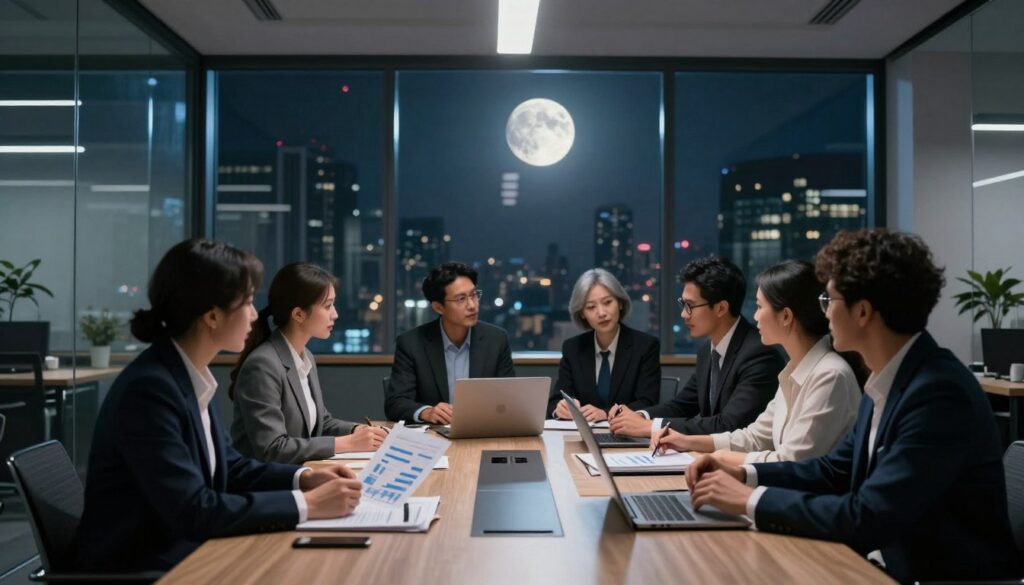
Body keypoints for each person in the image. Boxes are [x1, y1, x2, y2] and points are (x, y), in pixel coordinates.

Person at [685, 229, 1019, 583]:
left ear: (862, 312)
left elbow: (867, 517)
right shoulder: (887, 379)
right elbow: (831, 470)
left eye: (829, 301)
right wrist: (744, 474)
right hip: (883, 563)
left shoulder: (938, 393)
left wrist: (749, 500)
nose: (824, 313)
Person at [74, 240, 362, 573]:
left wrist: (305, 477)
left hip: (189, 552)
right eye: (249, 303)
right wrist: (306, 504)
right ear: (212, 316)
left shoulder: (188, 374)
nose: (256, 315)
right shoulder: (150, 390)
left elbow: (232, 467)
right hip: (148, 566)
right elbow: (193, 510)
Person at [651, 260, 861, 463]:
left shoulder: (830, 375)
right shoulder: (795, 369)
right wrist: (686, 441)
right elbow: (755, 437)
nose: (755, 316)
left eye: (760, 307)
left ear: (786, 316)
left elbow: (791, 461)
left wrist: (722, 458)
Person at [609, 256, 784, 438]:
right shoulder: (708, 351)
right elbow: (682, 405)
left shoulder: (760, 354)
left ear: (721, 308)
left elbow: (729, 424)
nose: (684, 314)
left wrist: (649, 426)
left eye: (690, 306)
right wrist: (639, 416)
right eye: (683, 304)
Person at [230, 262, 387, 464]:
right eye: (328, 306)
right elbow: (272, 449)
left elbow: (321, 422)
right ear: (298, 314)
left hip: (298, 475)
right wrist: (348, 443)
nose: (335, 314)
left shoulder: (304, 355)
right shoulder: (263, 364)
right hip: (265, 486)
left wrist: (359, 431)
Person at [384, 261, 515, 423]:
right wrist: (427, 412)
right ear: (439, 307)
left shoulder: (496, 339)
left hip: (482, 433)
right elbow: (395, 403)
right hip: (433, 439)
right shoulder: (411, 343)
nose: (472, 305)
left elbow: (509, 399)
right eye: (461, 299)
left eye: (474, 295)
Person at [548, 268, 660, 422]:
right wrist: (559, 409)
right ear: (582, 313)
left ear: (620, 303)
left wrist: (606, 414)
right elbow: (554, 401)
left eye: (607, 302)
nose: (601, 313)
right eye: (591, 307)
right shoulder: (573, 348)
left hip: (628, 436)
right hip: (581, 437)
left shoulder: (645, 346)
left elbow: (648, 403)